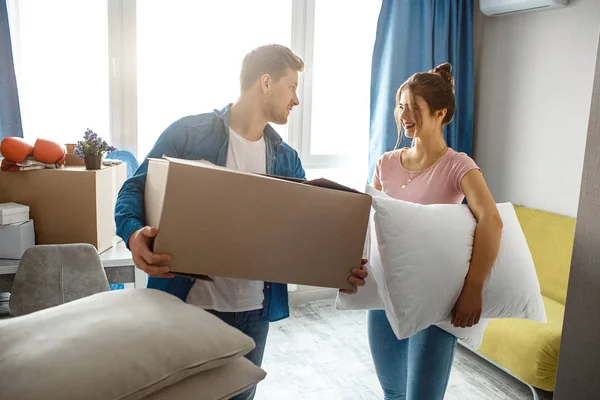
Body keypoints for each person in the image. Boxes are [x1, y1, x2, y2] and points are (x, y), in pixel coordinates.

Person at [114, 44, 368, 400]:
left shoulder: (287, 159)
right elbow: (133, 189)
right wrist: (133, 234)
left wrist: (339, 269)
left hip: (254, 312)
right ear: (265, 82)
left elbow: (305, 235)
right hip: (190, 308)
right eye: (292, 86)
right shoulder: (188, 134)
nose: (296, 100)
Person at [368, 63, 503, 400]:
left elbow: (492, 221)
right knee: (392, 392)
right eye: (401, 106)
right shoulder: (385, 163)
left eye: (415, 107)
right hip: (386, 292)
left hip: (438, 297)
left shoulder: (458, 165)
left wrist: (473, 289)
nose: (404, 114)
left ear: (441, 113)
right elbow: (370, 222)